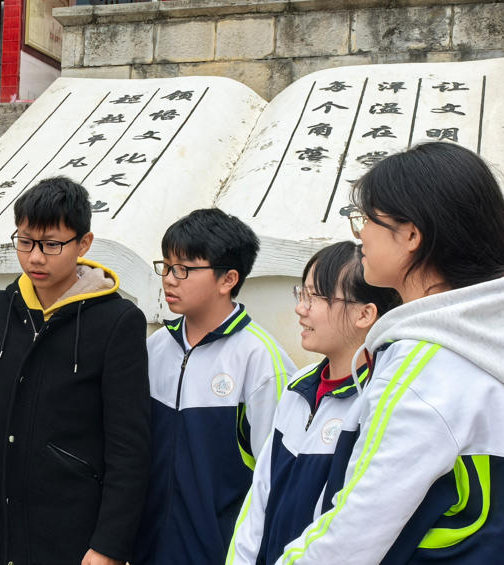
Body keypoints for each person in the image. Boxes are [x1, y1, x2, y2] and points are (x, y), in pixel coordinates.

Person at [276, 142, 504, 563]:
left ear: (412, 235)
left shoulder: (423, 367)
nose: (360, 233)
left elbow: (354, 534)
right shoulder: (482, 339)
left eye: (368, 219)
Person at [0, 176, 151, 565]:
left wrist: (110, 543)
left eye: (52, 244)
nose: (36, 257)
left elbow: (128, 445)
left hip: (68, 531)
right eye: (25, 241)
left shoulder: (117, 321)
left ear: (83, 243)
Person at [134, 208, 296, 565]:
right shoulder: (155, 348)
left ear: (228, 280)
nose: (169, 280)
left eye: (184, 269)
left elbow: (276, 479)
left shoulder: (260, 360)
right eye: (166, 266)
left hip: (219, 552)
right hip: (146, 549)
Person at [227, 242, 399, 564]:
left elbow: (347, 529)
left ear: (365, 314)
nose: (300, 309)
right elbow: (259, 496)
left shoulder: (376, 403)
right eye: (301, 294)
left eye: (315, 297)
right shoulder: (299, 385)